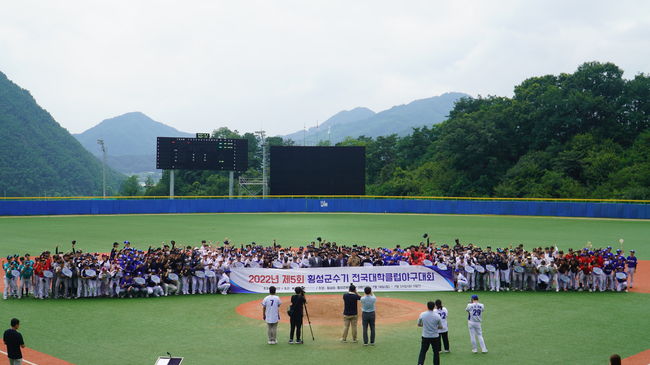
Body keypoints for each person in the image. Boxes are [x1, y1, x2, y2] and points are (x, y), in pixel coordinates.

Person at [417, 301, 442, 365]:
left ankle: (420, 363)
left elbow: (419, 324)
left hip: (425, 336)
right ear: (434, 307)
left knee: (423, 351)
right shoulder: (437, 316)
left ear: (427, 306)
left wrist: (425, 325)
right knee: (436, 352)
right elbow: (440, 327)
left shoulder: (422, 314)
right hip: (435, 337)